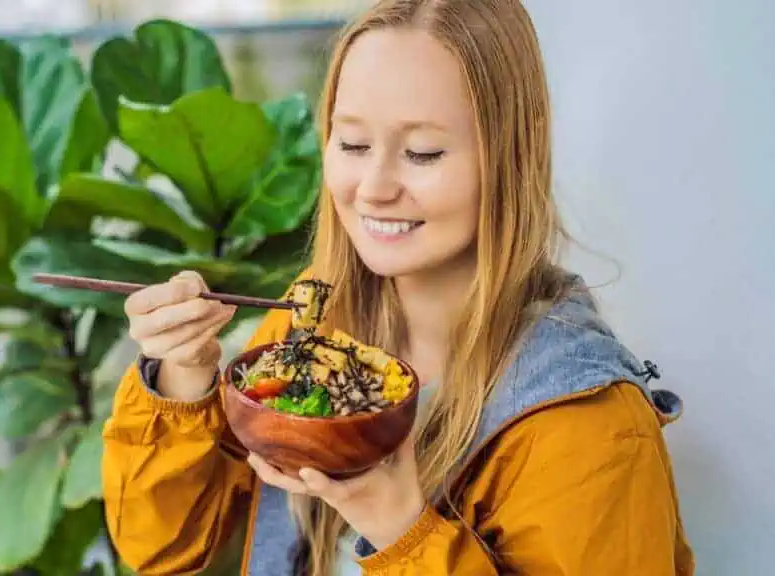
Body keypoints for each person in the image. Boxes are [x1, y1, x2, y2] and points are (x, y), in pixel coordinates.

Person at [101, 0, 695, 574]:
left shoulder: (590, 428)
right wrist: (182, 375)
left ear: (515, 148)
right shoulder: (317, 327)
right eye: (353, 144)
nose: (374, 187)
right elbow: (163, 548)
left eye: (422, 152)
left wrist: (400, 527)